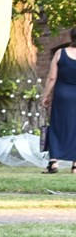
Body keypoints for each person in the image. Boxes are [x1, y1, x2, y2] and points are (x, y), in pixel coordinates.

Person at [41, 28, 76, 174]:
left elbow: (52, 77)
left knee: (56, 125)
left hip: (62, 95)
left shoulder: (60, 53)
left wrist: (45, 95)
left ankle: (53, 162)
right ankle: (75, 166)